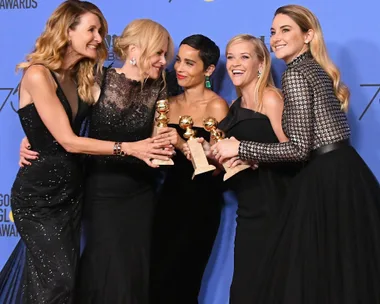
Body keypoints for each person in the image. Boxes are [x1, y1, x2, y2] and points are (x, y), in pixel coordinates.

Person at [0, 2, 172, 304]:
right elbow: (67, 140)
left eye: (101, 31)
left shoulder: (80, 76)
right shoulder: (40, 74)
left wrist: (33, 137)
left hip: (72, 190)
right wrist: (129, 149)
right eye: (92, 30)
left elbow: (64, 127)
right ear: (68, 31)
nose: (99, 37)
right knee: (57, 283)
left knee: (56, 283)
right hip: (40, 195)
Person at [211, 5, 380, 303]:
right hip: (345, 172)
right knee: (344, 274)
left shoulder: (296, 74)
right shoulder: (313, 67)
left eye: (285, 30)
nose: (276, 38)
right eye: (274, 31)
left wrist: (239, 147)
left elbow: (298, 149)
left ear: (308, 35)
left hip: (326, 177)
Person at [211, 34, 299, 303]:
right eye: (231, 57)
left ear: (261, 64)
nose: (235, 64)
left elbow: (295, 154)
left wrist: (250, 156)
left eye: (244, 57)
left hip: (276, 205)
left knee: (272, 286)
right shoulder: (236, 107)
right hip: (249, 208)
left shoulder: (271, 99)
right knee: (245, 289)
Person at [149, 34, 229, 304]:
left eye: (189, 63)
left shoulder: (217, 106)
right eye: (179, 61)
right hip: (164, 200)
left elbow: (219, 167)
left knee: (183, 281)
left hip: (199, 204)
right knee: (154, 280)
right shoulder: (167, 104)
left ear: (208, 70)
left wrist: (182, 143)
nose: (180, 69)